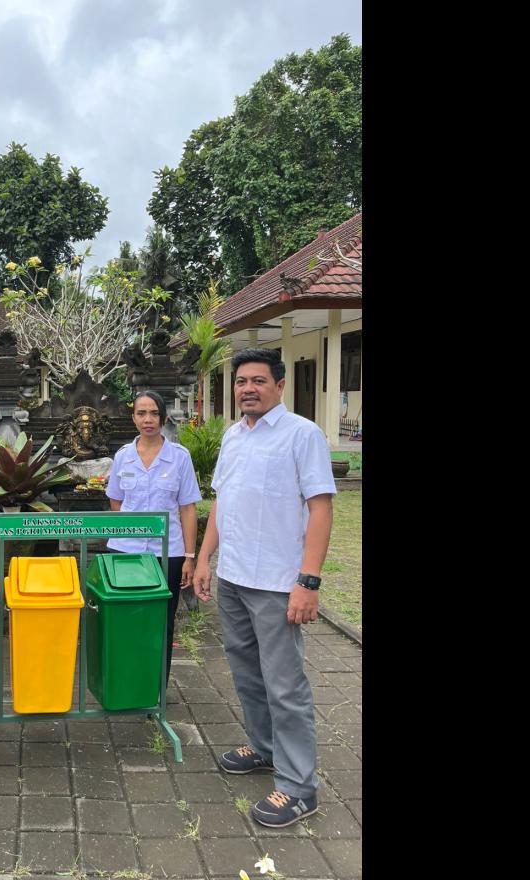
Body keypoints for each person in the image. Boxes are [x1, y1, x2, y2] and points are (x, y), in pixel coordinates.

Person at [193, 349, 336, 828]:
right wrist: (205, 558)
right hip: (233, 577)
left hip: (277, 583)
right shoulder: (234, 436)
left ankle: (299, 787)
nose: (247, 389)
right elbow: (221, 504)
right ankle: (264, 747)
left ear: (279, 385)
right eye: (240, 381)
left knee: (285, 685)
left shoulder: (302, 435)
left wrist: (307, 581)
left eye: (257, 380)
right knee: (247, 674)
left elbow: (320, 508)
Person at [105, 390, 202, 679]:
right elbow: (116, 501)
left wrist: (189, 556)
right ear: (133, 417)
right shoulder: (123, 457)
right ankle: (127, 679)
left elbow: (187, 509)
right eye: (141, 413)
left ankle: (155, 685)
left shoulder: (179, 457)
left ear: (164, 417)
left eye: (154, 413)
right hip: (126, 552)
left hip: (167, 553)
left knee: (162, 619)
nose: (148, 419)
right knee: (127, 616)